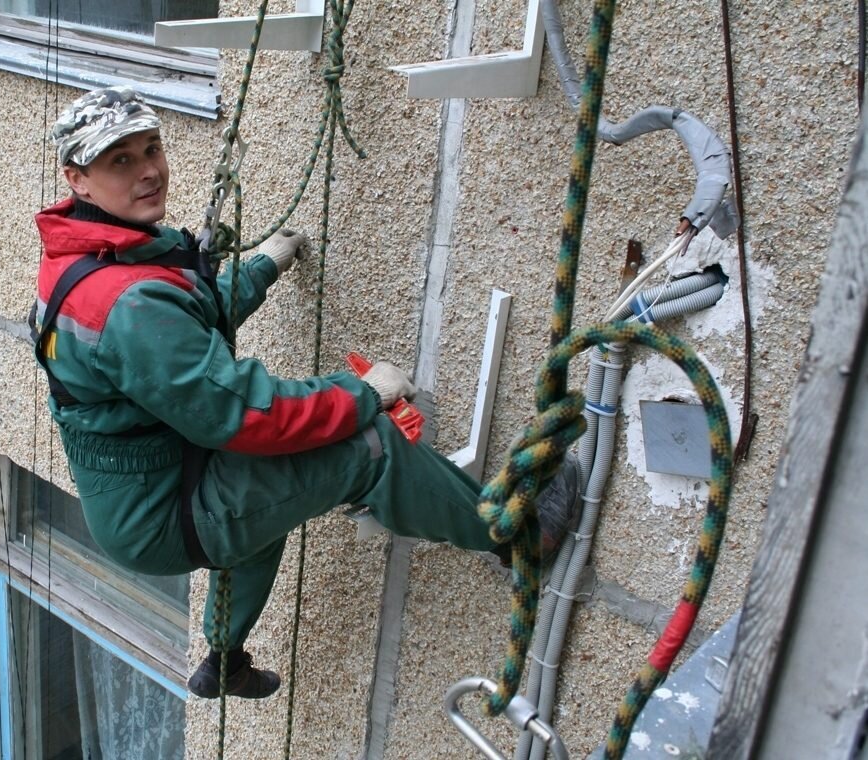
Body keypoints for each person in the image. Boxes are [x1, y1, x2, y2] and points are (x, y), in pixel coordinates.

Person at [33, 86, 580, 700]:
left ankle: (224, 659)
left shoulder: (87, 257)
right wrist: (362, 393)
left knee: (259, 509)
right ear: (77, 179)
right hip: (165, 513)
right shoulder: (125, 301)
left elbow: (181, 327)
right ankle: (516, 536)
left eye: (151, 148)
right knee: (368, 448)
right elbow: (242, 413)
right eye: (120, 161)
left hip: (145, 495)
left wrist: (264, 265)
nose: (149, 171)